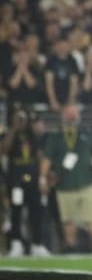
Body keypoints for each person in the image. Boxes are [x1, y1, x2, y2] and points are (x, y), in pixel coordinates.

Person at [39, 104, 92, 253]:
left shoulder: (86, 133)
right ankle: (71, 249)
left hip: (86, 184)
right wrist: (42, 179)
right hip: (65, 186)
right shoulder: (55, 136)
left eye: (73, 113)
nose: (71, 117)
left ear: (78, 116)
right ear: (63, 116)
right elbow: (47, 159)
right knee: (68, 222)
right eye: (68, 113)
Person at [2, 109, 50, 257]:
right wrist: (13, 129)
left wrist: (44, 177)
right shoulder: (8, 134)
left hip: (33, 178)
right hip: (16, 179)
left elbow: (41, 154)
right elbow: (3, 149)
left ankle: (37, 243)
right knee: (16, 210)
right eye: (18, 119)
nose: (21, 122)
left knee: (36, 210)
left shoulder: (32, 135)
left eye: (23, 119)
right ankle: (16, 244)